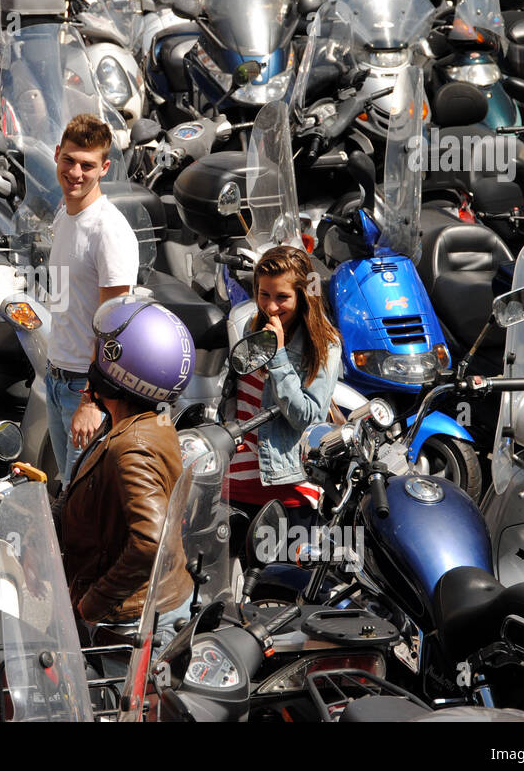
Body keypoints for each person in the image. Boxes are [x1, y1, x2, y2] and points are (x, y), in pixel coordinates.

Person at [57, 297, 194, 650]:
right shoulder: (152, 421)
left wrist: (93, 603)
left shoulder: (132, 446)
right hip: (152, 606)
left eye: (101, 351)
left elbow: (150, 542)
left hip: (130, 621)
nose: (93, 357)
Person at [223, 245, 341, 545]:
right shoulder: (255, 326)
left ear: (303, 295)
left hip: (289, 487)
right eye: (264, 294)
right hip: (238, 480)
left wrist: (277, 356)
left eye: (282, 297)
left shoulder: (324, 345)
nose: (271, 306)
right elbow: (239, 396)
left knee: (281, 585)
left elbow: (307, 417)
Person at [44, 112, 139, 483]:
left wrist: (91, 400)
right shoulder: (64, 215)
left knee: (79, 506)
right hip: (56, 376)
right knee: (68, 496)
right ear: (56, 154)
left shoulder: (108, 230)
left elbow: (115, 329)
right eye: (69, 160)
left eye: (87, 165)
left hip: (84, 387)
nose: (75, 173)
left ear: (105, 168)